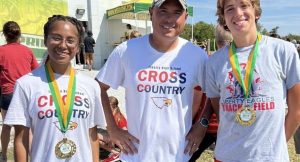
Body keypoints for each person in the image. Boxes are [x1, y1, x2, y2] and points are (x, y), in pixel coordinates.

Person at [96, 0, 208, 161]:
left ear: (186, 17)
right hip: (136, 155)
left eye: (177, 12)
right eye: (163, 11)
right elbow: (97, 88)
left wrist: (202, 124)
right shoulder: (127, 50)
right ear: (151, 13)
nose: (169, 19)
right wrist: (112, 128)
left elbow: (213, 93)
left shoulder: (197, 56)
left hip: (178, 155)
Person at [205, 0, 300, 161]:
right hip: (227, 156)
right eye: (229, 9)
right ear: (224, 19)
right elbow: (221, 112)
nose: (237, 13)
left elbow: (297, 111)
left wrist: (275, 147)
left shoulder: (283, 51)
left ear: (256, 12)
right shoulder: (214, 62)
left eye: (244, 5)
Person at [4, 15, 105, 162]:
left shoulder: (91, 86)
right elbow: (21, 139)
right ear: (45, 40)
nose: (63, 45)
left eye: (70, 40)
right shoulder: (26, 84)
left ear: (78, 46)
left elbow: (92, 135)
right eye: (56, 38)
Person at [189, 24, 232, 162]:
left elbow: (196, 101)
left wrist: (191, 123)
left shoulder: (209, 64)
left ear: (217, 42)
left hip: (206, 126)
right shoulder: (239, 66)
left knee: (187, 156)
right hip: (228, 126)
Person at [0, 21, 39, 161]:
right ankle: (33, 157)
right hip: (27, 93)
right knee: (26, 129)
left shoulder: (1, 50)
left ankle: (3, 155)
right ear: (19, 34)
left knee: (6, 126)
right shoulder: (27, 50)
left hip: (8, 93)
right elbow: (36, 72)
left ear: (4, 34)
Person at [99, 96, 127, 162]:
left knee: (95, 137)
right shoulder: (111, 115)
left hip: (119, 139)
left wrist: (113, 141)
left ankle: (115, 152)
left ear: (113, 107)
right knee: (97, 138)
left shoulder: (118, 117)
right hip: (114, 137)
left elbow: (125, 130)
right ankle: (114, 152)